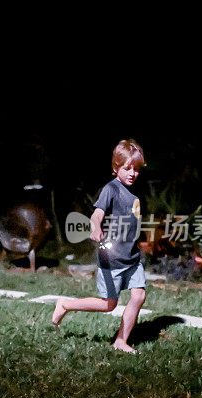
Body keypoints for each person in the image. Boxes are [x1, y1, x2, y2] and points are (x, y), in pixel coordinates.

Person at [51, 139, 147, 354]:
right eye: (127, 168)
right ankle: (65, 304)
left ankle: (121, 341)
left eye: (136, 169)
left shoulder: (135, 194)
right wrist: (95, 227)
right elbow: (97, 214)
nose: (132, 173)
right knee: (108, 305)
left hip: (132, 258)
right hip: (110, 259)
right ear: (116, 168)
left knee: (139, 296)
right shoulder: (111, 189)